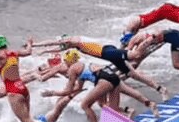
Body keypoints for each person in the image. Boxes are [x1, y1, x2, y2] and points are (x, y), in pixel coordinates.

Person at [35, 36, 169, 98]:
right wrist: (40, 48)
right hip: (108, 54)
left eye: (64, 43)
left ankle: (153, 38)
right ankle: (160, 89)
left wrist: (37, 45)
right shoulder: (75, 46)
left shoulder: (75, 42)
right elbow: (56, 46)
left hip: (108, 52)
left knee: (135, 55)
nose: (63, 45)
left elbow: (56, 42)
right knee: (133, 73)